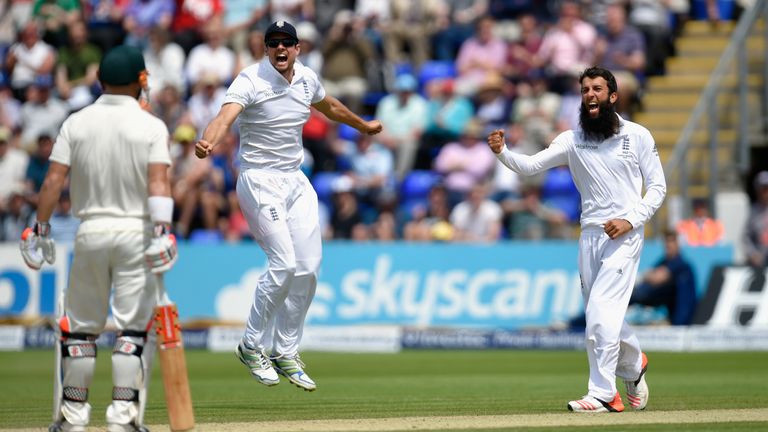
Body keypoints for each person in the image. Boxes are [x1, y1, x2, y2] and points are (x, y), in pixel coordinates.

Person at [194, 20, 382, 392]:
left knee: (308, 268)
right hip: (259, 180)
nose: (281, 49)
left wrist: (362, 126)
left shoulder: (308, 78)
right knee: (284, 263)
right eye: (273, 43)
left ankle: (285, 351)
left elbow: (330, 106)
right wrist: (208, 141)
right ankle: (251, 346)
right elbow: (224, 117)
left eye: (287, 43)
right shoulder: (250, 80)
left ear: (298, 48)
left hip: (295, 181)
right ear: (265, 49)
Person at [488, 66, 666, 413]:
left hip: (625, 236)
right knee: (603, 315)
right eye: (585, 90)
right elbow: (530, 167)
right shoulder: (572, 139)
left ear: (613, 96)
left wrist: (630, 220)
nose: (590, 95)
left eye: (597, 89)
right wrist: (502, 152)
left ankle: (602, 393)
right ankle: (633, 365)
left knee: (601, 314)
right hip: (589, 237)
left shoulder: (638, 135)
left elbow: (658, 188)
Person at [18, 45, 176, 432]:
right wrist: (162, 230)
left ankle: (74, 417)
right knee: (132, 330)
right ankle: (122, 418)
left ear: (99, 80)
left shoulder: (77, 122)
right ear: (141, 80)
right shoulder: (151, 125)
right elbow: (159, 181)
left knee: (81, 329)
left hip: (90, 232)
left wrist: (38, 228)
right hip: (136, 233)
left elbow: (53, 180)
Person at [630, 229, 697, 325]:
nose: (669, 245)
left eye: (672, 241)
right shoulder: (664, 262)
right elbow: (651, 277)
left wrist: (640, 278)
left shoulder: (681, 264)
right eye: (667, 241)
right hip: (673, 319)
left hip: (684, 322)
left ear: (678, 243)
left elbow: (657, 277)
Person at [744, 170, 768, 268]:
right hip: (760, 262)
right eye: (763, 189)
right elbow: (746, 236)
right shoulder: (753, 211)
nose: (766, 192)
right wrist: (753, 254)